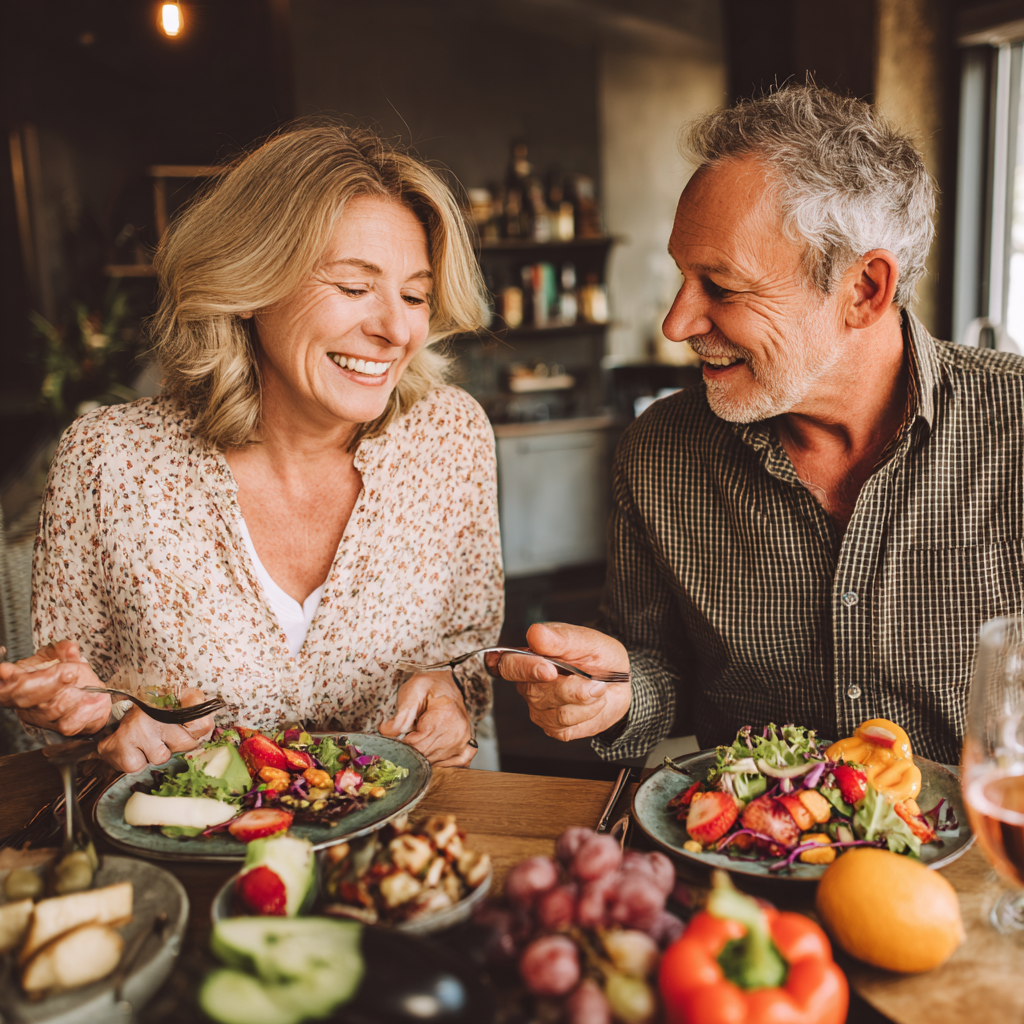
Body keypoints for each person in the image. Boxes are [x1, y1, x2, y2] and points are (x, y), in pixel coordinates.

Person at [494, 85, 1024, 766]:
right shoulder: (659, 453)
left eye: (721, 286)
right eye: (682, 277)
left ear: (864, 290)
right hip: (747, 859)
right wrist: (615, 692)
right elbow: (661, 671)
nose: (676, 324)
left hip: (978, 862)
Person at [0, 123, 503, 772]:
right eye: (354, 287)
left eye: (415, 295)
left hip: (399, 859)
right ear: (250, 284)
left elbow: (467, 656)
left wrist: (454, 696)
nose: (395, 328)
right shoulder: (108, 461)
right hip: (189, 862)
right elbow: (67, 713)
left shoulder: (449, 438)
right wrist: (98, 731)